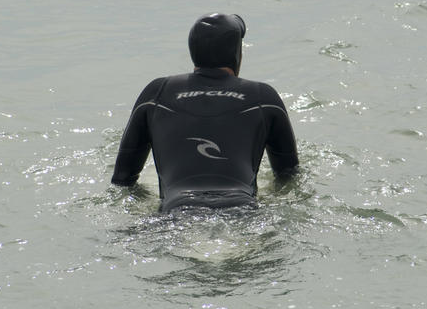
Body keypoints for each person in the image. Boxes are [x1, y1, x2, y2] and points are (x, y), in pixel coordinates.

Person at [111, 12, 299, 212]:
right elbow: (289, 177)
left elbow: (122, 180)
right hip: (243, 210)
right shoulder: (264, 97)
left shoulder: (156, 93)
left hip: (176, 211)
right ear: (237, 54)